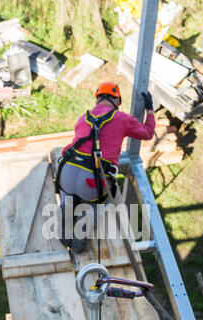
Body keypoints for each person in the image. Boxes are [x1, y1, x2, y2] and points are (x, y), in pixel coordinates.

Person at [56, 81, 155, 253]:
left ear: (97, 100)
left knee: (69, 194)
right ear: (117, 101)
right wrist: (150, 110)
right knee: (100, 203)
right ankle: (84, 222)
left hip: (67, 172)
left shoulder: (83, 118)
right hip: (92, 180)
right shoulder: (123, 119)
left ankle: (67, 207)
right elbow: (147, 133)